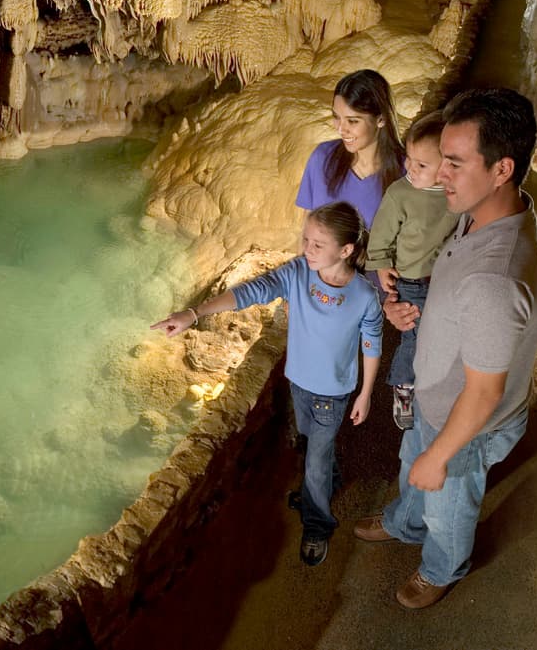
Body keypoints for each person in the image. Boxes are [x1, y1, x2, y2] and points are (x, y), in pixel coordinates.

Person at [353, 88, 537, 610]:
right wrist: (400, 307)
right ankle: (404, 522)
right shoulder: (480, 212)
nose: (440, 176)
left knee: (448, 506)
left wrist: (441, 455)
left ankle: (442, 566)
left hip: (466, 426)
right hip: (435, 395)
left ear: (502, 169)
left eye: (455, 164)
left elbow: (483, 393)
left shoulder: (496, 278)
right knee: (411, 468)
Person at [152, 201, 381, 568]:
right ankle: (322, 486)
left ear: (346, 250)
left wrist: (367, 392)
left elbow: (371, 341)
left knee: (316, 462)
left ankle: (318, 523)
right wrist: (195, 314)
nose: (307, 249)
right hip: (299, 384)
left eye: (318, 244)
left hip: (334, 393)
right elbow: (252, 290)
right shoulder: (297, 273)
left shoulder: (364, 297)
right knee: (309, 445)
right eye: (306, 239)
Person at [364, 111, 459, 430]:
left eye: (421, 165)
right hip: (412, 281)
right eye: (409, 160)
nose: (410, 169)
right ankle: (403, 386)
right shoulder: (401, 194)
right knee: (416, 337)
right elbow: (380, 235)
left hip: (444, 280)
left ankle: (436, 385)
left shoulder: (456, 195)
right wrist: (380, 266)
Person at [297, 70, 405, 228]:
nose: (341, 129)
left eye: (352, 121)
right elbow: (306, 234)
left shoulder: (409, 171)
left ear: (381, 119)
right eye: (336, 117)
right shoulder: (322, 158)